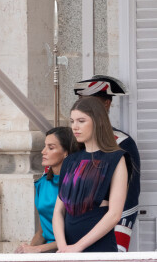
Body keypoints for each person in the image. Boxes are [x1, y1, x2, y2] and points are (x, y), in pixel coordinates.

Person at [53, 96, 132, 252]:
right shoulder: (70, 161)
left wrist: (78, 247)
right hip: (68, 249)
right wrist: (63, 247)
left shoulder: (116, 158)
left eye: (81, 121)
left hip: (99, 248)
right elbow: (58, 210)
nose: (75, 127)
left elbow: (115, 214)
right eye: (72, 121)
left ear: (98, 121)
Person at [74, 74, 140, 252]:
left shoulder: (122, 143)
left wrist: (121, 232)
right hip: (76, 227)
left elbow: (130, 193)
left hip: (109, 228)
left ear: (106, 104)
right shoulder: (75, 143)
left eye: (89, 103)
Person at [15, 127, 80, 253]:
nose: (43, 152)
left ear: (66, 152)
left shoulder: (76, 185)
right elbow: (42, 231)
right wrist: (26, 250)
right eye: (45, 146)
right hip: (46, 251)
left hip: (69, 251)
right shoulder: (42, 183)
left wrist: (38, 249)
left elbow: (74, 236)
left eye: (51, 148)